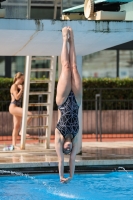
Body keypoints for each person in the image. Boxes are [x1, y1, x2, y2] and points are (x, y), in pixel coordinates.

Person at [55, 27, 82, 183]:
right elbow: (72, 159)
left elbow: (62, 160)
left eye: (66, 150)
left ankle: (65, 39)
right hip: (76, 101)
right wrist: (71, 177)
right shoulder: (76, 138)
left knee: (66, 67)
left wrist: (61, 176)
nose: (68, 149)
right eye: (69, 150)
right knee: (75, 67)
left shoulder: (59, 136)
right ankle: (73, 40)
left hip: (63, 100)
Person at [9, 72, 32, 150]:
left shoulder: (17, 87)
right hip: (13, 107)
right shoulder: (14, 86)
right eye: (21, 79)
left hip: (16, 107)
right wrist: (21, 89)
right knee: (29, 114)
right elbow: (16, 97)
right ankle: (22, 131)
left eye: (23, 79)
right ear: (17, 78)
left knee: (16, 126)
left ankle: (14, 145)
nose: (22, 80)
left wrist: (21, 89)